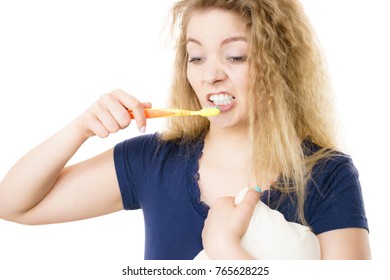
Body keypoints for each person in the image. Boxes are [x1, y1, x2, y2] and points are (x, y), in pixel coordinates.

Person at [0, 0, 371, 260]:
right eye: (196, 56)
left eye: (235, 56)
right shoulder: (152, 161)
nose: (210, 75)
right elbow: (13, 205)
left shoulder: (328, 175)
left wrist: (227, 251)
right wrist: (80, 128)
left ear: (281, 64)